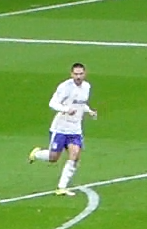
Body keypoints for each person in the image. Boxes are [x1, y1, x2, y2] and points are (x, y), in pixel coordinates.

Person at [27, 63, 96, 196]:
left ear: (85, 74)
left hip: (75, 129)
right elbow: (52, 103)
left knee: (75, 155)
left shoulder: (87, 87)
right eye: (76, 74)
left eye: (81, 74)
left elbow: (81, 103)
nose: (78, 76)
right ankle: (36, 154)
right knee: (53, 158)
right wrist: (66, 109)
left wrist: (89, 111)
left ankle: (61, 187)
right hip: (60, 128)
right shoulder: (65, 87)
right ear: (71, 74)